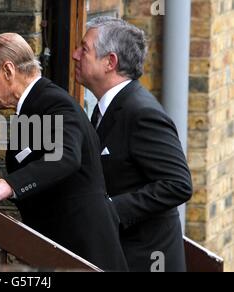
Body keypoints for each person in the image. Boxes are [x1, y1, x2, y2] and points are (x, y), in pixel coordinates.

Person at [0, 33, 128, 271]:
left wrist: (6, 185)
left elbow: (65, 156)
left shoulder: (54, 102)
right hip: (59, 253)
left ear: (8, 71)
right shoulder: (32, 106)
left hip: (84, 253)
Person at [73, 17, 193, 272]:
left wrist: (110, 210)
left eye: (84, 49)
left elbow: (178, 185)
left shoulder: (141, 113)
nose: (75, 55)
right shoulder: (104, 108)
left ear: (110, 62)